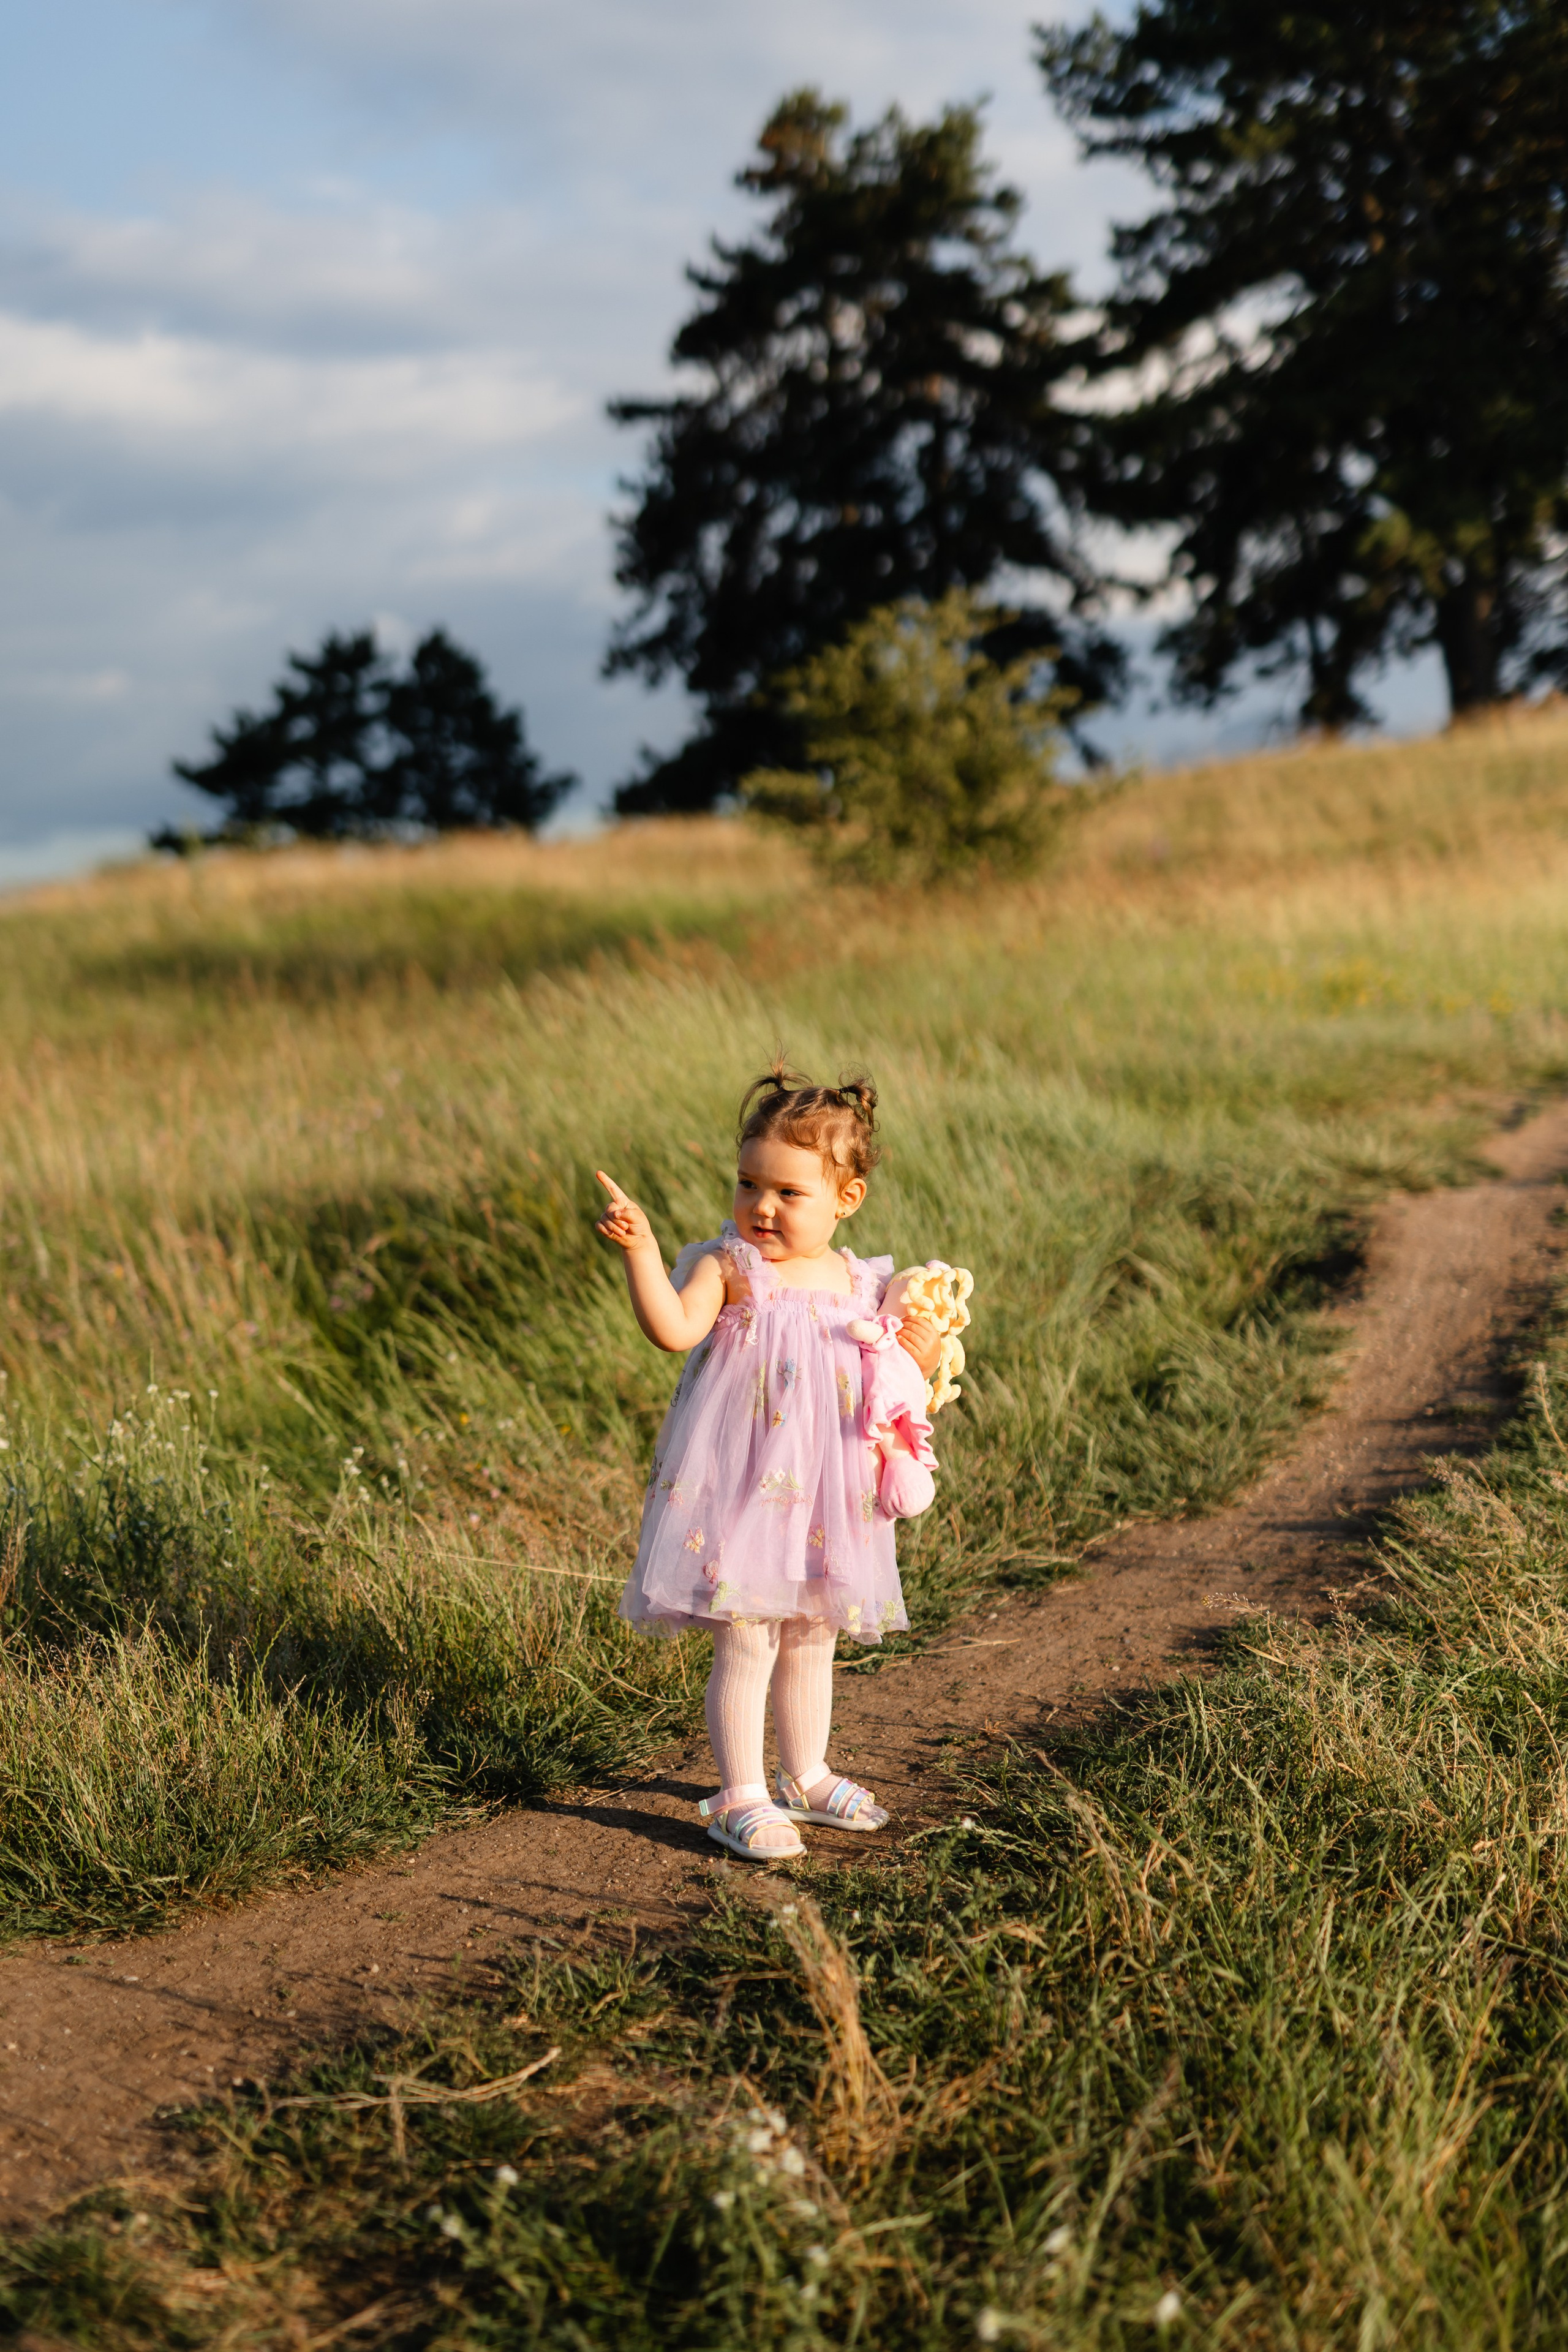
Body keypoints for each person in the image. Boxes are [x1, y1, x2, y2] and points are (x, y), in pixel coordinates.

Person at [594, 1061, 943, 1860]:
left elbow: (883, 1384)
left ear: (845, 1200)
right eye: (749, 1184)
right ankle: (739, 1794)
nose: (762, 1207)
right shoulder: (727, 1267)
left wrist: (916, 1357)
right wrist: (642, 1251)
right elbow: (673, 1329)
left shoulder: (860, 1283)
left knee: (813, 1631)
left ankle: (806, 1775)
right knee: (749, 1634)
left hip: (828, 1496)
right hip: (744, 1490)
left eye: (790, 1193)